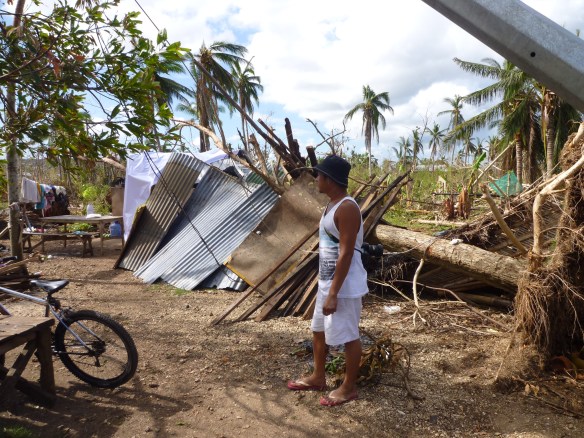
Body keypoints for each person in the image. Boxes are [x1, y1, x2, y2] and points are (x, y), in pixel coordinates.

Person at [287, 155, 368, 407]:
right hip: (328, 282)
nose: (317, 179)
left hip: (343, 286)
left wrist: (334, 292)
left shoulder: (347, 207)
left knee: (349, 335)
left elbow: (346, 252)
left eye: (320, 175)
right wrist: (326, 288)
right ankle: (318, 376)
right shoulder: (332, 205)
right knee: (318, 330)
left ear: (330, 179)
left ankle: (348, 387)